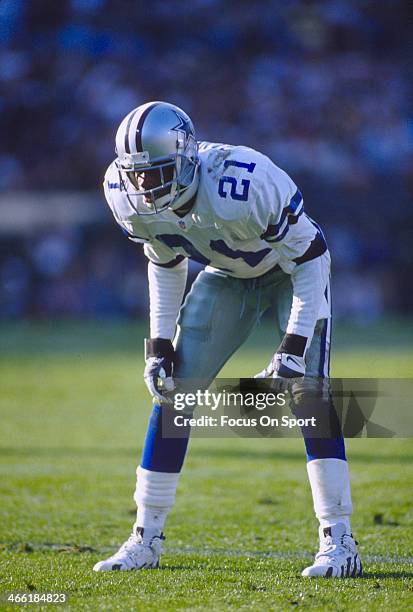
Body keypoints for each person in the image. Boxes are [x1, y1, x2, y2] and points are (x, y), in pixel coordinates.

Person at [93, 101, 362, 578]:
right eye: (138, 176)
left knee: (311, 395)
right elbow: (166, 261)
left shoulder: (242, 180)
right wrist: (158, 344)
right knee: (173, 395)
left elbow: (311, 258)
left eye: (157, 173)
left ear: (185, 156)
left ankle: (339, 540)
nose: (146, 188)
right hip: (225, 277)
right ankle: (145, 538)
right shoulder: (124, 192)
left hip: (290, 272)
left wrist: (293, 349)